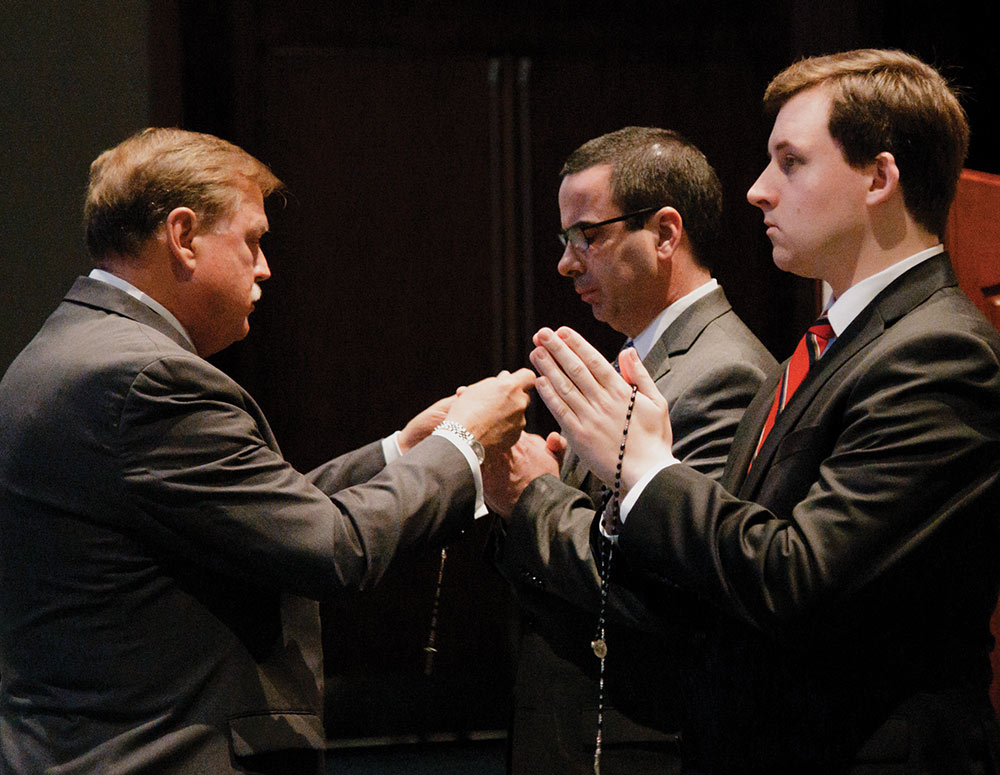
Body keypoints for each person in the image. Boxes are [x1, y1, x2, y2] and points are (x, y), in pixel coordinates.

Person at [0, 127, 534, 775]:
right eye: (252, 240)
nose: (265, 267)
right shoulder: (149, 379)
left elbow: (258, 514)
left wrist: (402, 451)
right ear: (184, 235)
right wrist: (463, 443)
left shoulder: (66, 349)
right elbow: (331, 548)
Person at [529, 49, 1000, 773]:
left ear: (879, 176)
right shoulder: (821, 349)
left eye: (791, 162)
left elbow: (798, 578)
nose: (756, 191)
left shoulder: (939, 353)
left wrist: (649, 469)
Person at [485, 127, 775, 774]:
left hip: (636, 744)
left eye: (587, 235)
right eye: (564, 240)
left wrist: (537, 497)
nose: (566, 262)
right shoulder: (641, 357)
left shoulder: (722, 372)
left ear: (666, 233)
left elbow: (665, 593)